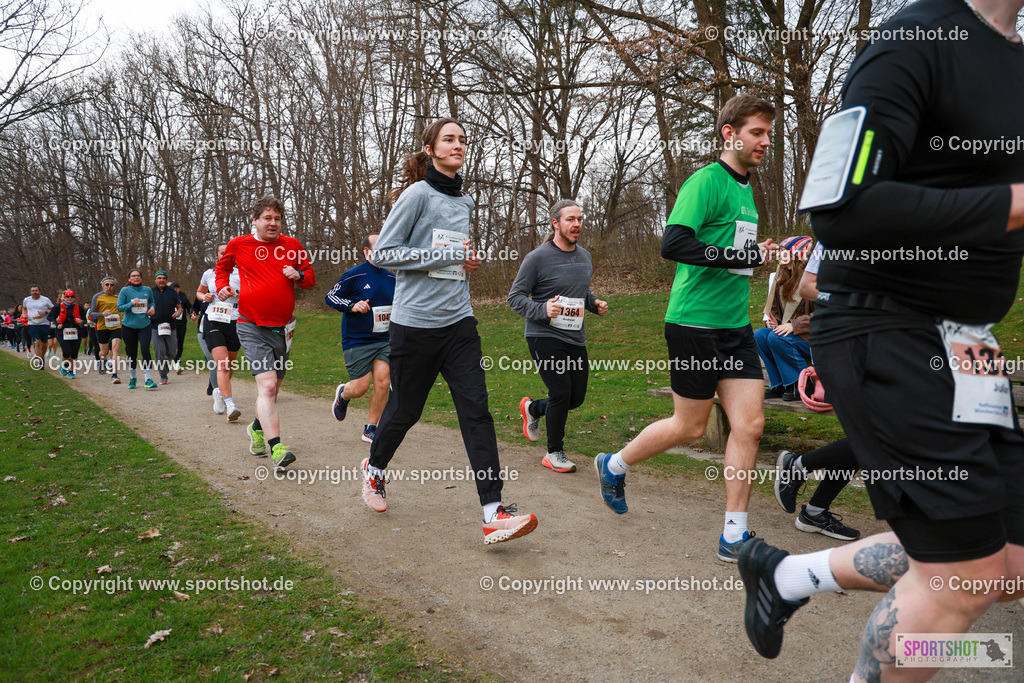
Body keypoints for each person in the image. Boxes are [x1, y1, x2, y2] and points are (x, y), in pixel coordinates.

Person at [739, 1, 1024, 678]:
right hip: (884, 322)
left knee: (1008, 558)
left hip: (971, 344)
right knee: (964, 576)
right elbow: (839, 207)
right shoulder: (913, 38)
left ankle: (788, 575)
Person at [594, 94, 778, 563]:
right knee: (690, 427)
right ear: (729, 133)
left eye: (768, 134)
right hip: (693, 324)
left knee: (750, 426)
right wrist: (742, 257)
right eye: (757, 132)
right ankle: (613, 464)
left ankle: (733, 535)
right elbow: (673, 243)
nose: (765, 142)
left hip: (735, 327)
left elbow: (733, 252)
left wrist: (761, 253)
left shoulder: (746, 189)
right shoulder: (707, 181)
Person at [366, 117, 538, 545]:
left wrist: (465, 264)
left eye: (462, 139)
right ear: (430, 149)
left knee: (476, 412)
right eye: (449, 139)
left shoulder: (465, 201)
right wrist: (440, 252)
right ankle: (373, 470)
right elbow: (384, 253)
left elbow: (449, 260)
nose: (458, 145)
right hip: (415, 325)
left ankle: (493, 512)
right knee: (406, 411)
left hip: (459, 321)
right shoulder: (416, 195)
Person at [508, 199, 608, 473]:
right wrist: (542, 309)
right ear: (555, 223)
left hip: (575, 336)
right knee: (561, 393)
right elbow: (514, 298)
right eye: (570, 219)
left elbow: (579, 292)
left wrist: (593, 303)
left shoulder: (585, 256)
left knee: (575, 398)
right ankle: (554, 453)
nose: (577, 224)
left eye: (579, 219)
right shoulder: (537, 258)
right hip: (543, 335)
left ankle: (534, 409)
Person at [217, 195, 315, 468]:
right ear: (255, 220)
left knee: (273, 389)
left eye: (277, 219)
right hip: (250, 325)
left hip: (283, 328)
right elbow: (222, 267)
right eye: (267, 218)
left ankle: (257, 429)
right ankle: (277, 448)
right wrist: (222, 286)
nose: (273, 224)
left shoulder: (292, 245)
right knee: (268, 386)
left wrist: (299, 276)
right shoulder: (240, 244)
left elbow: (310, 277)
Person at [325, 233, 395, 443]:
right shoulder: (354, 275)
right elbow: (330, 296)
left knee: (383, 381)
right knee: (361, 387)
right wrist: (352, 305)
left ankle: (371, 428)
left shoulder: (393, 277)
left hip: (384, 339)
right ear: (367, 251)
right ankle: (344, 394)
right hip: (358, 340)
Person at [755, 236, 814, 401]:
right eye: (780, 251)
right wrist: (775, 323)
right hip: (794, 335)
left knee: (777, 337)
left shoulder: (812, 281)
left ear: (797, 255)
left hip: (813, 337)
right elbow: (776, 312)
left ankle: (801, 384)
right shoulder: (781, 279)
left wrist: (793, 326)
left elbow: (826, 314)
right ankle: (779, 385)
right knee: (760, 335)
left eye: (785, 252)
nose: (780, 255)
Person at [200, 243, 242, 421]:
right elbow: (199, 292)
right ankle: (230, 404)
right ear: (217, 255)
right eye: (222, 253)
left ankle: (218, 391)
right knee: (223, 364)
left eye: (229, 253)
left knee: (229, 365)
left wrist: (236, 292)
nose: (226, 255)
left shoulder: (242, 273)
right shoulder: (209, 274)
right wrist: (205, 297)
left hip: (236, 320)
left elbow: (253, 293)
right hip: (214, 320)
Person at [117, 269, 157, 389]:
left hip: (144, 325)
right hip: (129, 326)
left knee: (145, 349)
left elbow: (151, 302)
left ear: (141, 277)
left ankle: (148, 379)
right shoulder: (125, 290)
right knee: (131, 353)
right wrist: (131, 304)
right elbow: (119, 307)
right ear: (129, 279)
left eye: (138, 276)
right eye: (133, 276)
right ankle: (132, 377)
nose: (136, 278)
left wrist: (152, 308)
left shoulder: (147, 289)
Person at [149, 270, 182, 385]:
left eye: (163, 278)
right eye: (159, 278)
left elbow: (179, 307)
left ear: (166, 280)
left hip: (170, 326)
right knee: (159, 350)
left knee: (172, 352)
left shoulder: (172, 292)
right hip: (154, 326)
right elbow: (145, 307)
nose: (161, 280)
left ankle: (164, 362)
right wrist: (147, 313)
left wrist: (178, 312)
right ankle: (163, 375)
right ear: (155, 280)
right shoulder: (150, 292)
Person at [89, 277, 124, 383]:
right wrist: (102, 314)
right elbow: (91, 313)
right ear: (102, 285)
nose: (109, 287)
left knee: (115, 349)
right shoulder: (97, 297)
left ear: (114, 286)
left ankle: (114, 374)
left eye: (111, 285)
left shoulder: (119, 297)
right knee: (103, 352)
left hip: (117, 326)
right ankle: (101, 361)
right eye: (107, 284)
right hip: (103, 327)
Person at [54, 290, 84, 378]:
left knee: (74, 353)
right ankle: (64, 366)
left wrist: (81, 321)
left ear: (74, 298)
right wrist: (57, 324)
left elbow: (85, 319)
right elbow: (50, 317)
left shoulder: (79, 307)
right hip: (62, 332)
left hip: (76, 332)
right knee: (66, 352)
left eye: (72, 297)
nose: (70, 298)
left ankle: (71, 372)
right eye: (67, 297)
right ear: (64, 298)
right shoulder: (57, 307)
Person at [22, 285, 53, 361]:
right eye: (33, 291)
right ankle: (40, 361)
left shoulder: (46, 300)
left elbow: (53, 309)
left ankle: (42, 357)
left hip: (44, 324)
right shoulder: (26, 300)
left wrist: (45, 312)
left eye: (36, 290)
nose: (34, 292)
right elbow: (24, 308)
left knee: (44, 344)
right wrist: (24, 314)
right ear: (30, 292)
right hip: (32, 324)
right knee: (37, 342)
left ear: (39, 291)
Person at [171, 282, 191, 374]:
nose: (176, 290)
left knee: (180, 343)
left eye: (177, 288)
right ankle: (173, 360)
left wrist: (192, 314)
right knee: (172, 343)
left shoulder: (183, 298)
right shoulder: (168, 298)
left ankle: (177, 361)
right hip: (171, 324)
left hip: (182, 324)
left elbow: (190, 308)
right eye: (173, 288)